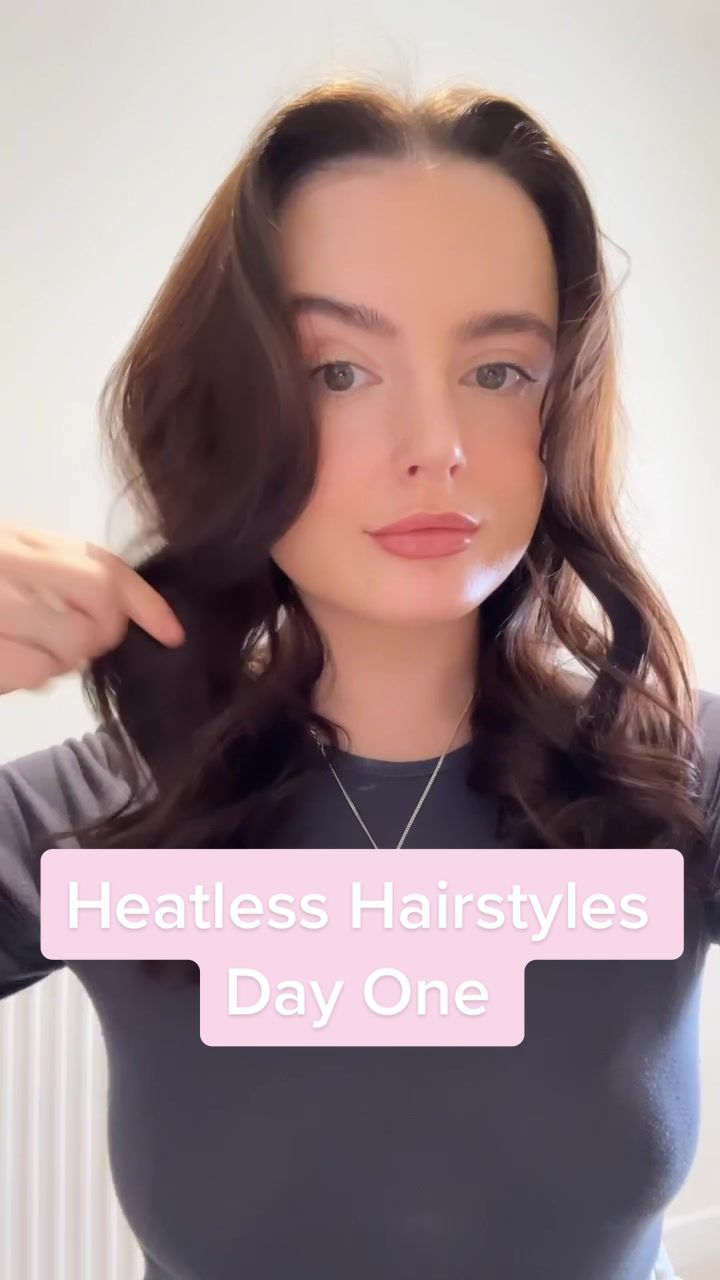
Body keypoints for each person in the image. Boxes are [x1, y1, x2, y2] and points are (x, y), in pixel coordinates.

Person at [1, 76, 718, 1280]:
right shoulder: (103, 819)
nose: (436, 444)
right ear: (235, 412)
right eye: (338, 371)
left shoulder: (675, 779)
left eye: (498, 370)